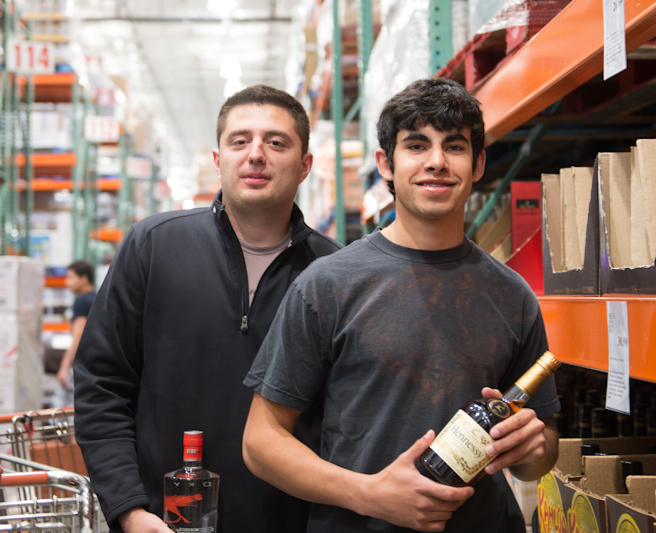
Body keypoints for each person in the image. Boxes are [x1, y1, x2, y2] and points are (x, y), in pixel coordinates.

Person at [242, 78, 560, 533]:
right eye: (416, 145)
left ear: (478, 165)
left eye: (454, 146)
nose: (437, 162)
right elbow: (260, 441)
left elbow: (540, 451)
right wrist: (369, 494)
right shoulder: (327, 285)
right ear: (385, 165)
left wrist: (534, 450)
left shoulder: (513, 295)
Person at [74, 85, 342, 533]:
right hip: (163, 522)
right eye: (240, 141)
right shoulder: (153, 247)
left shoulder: (334, 272)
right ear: (218, 160)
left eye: (276, 142)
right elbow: (101, 386)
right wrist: (129, 509)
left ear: (305, 165)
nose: (255, 154)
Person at [54, 260, 95, 407]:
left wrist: (64, 367)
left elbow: (78, 334)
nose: (67, 282)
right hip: (96, 363)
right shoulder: (98, 298)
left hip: (82, 363)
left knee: (65, 409)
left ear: (84, 278)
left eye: (71, 277)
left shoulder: (82, 302)